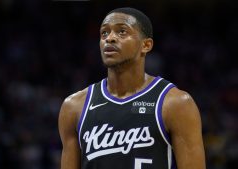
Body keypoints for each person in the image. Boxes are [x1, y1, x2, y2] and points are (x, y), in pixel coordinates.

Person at [58, 7, 206, 169]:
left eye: (122, 32)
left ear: (146, 45)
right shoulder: (74, 107)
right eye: (104, 33)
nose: (110, 38)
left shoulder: (176, 103)